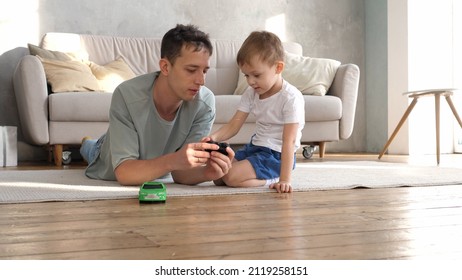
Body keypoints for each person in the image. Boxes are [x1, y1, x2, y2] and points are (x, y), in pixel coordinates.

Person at [80, 24, 234, 186]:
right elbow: (125, 173)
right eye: (191, 70)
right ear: (165, 67)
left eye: (204, 71)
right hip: (105, 152)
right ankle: (87, 143)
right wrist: (173, 160)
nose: (201, 81)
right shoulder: (127, 95)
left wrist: (206, 172)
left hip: (154, 161)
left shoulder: (204, 103)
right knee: (92, 149)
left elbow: (181, 174)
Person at [207, 31, 305, 193]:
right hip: (255, 147)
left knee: (230, 177)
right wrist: (213, 138)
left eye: (257, 75)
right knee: (218, 176)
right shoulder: (251, 93)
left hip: (276, 155)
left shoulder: (291, 98)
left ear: (278, 67)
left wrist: (285, 179)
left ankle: (271, 179)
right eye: (246, 75)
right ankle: (251, 174)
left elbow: (289, 141)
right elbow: (234, 125)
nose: (251, 81)